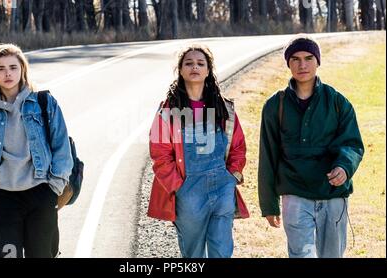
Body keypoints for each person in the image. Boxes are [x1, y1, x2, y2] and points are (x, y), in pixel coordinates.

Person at [0, 44, 73, 258]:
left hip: (40, 192)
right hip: (1, 198)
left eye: (13, 67)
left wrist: (54, 187)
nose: (7, 73)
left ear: (23, 69)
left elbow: (61, 147)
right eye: (0, 68)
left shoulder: (44, 104)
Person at [258, 34, 364, 258]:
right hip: (294, 195)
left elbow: (352, 144)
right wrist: (269, 204)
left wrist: (344, 168)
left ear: (318, 61)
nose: (302, 65)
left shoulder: (337, 102)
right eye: (295, 59)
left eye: (308, 58)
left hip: (333, 194)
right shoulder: (274, 106)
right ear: (288, 63)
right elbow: (267, 156)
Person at [147, 44, 247, 258]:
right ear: (180, 70)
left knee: (222, 252)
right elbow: (159, 154)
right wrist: (178, 187)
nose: (195, 67)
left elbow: (238, 146)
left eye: (201, 63)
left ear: (208, 71)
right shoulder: (167, 111)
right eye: (189, 63)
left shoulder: (224, 108)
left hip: (222, 187)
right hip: (188, 191)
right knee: (193, 256)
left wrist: (232, 176)